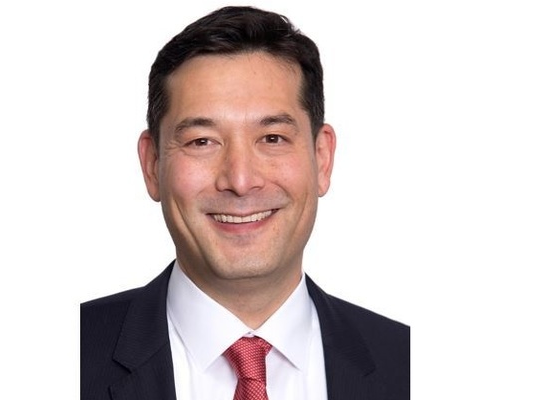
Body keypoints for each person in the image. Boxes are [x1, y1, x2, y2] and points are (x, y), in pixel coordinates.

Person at [81, 5, 409, 400]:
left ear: (322, 159)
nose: (240, 181)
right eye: (202, 141)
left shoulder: (408, 365)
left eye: (272, 138)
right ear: (152, 165)